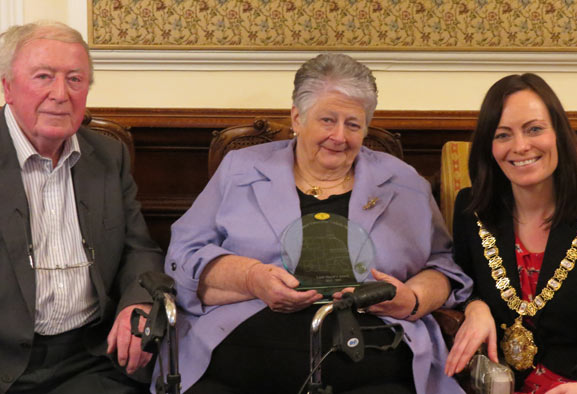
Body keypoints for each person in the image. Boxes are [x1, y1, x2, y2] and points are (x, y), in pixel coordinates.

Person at [165, 53, 472, 394]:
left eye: (353, 124)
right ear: (297, 118)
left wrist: (412, 299)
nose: (339, 136)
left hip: (373, 366)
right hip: (242, 364)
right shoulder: (240, 170)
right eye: (327, 120)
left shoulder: (404, 183)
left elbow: (443, 266)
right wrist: (251, 278)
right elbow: (183, 255)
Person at [0, 21, 163, 394]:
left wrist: (136, 304)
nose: (61, 94)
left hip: (88, 359)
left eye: (75, 80)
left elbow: (138, 249)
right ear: (8, 87)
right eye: (44, 76)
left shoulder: (107, 156)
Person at [445, 73, 577, 393]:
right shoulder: (470, 211)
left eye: (534, 129)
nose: (520, 146)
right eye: (503, 135)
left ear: (558, 134)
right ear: (489, 146)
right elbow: (455, 281)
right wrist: (474, 306)